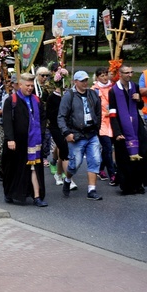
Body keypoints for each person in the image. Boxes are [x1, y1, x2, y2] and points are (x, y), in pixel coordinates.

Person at [2, 73, 47, 206]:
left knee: (34, 167)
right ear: (20, 85)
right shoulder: (11, 100)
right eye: (27, 85)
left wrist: (42, 133)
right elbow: (7, 121)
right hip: (16, 142)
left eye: (32, 85)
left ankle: (37, 196)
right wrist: (10, 139)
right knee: (13, 168)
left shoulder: (37, 100)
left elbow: (43, 118)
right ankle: (10, 192)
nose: (30, 88)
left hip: (33, 141)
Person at [57, 70, 103, 200]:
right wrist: (66, 132)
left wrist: (97, 127)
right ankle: (68, 179)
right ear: (75, 82)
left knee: (95, 160)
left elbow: (98, 112)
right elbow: (61, 116)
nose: (85, 83)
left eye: (86, 80)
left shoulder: (93, 94)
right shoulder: (69, 96)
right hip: (76, 135)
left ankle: (92, 190)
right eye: (82, 80)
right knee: (75, 164)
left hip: (92, 133)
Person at [109, 65, 147, 194]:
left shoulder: (135, 86)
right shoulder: (114, 91)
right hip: (122, 126)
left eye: (131, 72)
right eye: (127, 73)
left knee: (143, 150)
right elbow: (112, 112)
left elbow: (140, 106)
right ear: (120, 74)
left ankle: (138, 184)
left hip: (136, 124)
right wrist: (117, 132)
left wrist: (139, 100)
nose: (130, 75)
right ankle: (127, 186)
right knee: (124, 157)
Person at [92, 67, 117, 183]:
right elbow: (92, 108)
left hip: (113, 122)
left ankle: (101, 168)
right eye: (101, 75)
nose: (104, 77)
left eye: (106, 74)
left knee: (108, 149)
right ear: (97, 77)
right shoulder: (94, 90)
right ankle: (112, 174)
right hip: (101, 123)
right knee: (107, 148)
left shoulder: (113, 87)